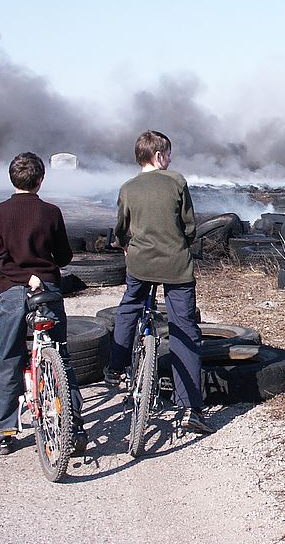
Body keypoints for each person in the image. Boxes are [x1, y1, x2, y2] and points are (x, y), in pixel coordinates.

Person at [105, 130, 213, 434]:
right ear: (158, 156)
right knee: (184, 329)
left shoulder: (128, 188)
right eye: (167, 153)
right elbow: (189, 225)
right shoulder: (177, 181)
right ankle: (190, 408)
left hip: (139, 264)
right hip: (176, 265)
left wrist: (126, 246)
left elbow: (121, 229)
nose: (170, 158)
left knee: (128, 308)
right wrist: (181, 241)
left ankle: (116, 368)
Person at [0, 152, 86, 455]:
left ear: (11, 179)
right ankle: (75, 426)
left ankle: (3, 432)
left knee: (10, 359)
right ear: (41, 180)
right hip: (48, 290)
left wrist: (23, 276)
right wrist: (40, 272)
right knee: (61, 356)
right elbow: (65, 256)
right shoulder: (51, 212)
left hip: (13, 292)